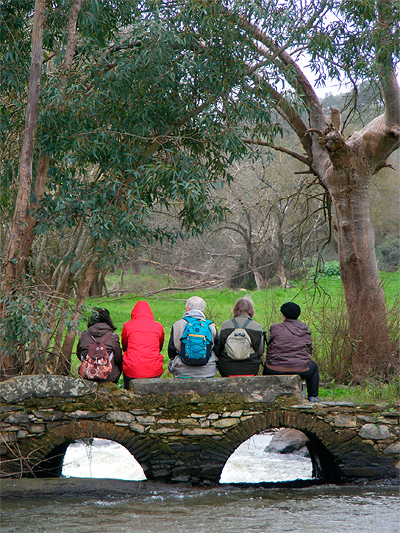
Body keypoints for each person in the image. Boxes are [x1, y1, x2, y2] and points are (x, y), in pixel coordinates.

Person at [263, 302, 319, 402]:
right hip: (302, 369)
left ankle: (265, 397)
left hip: (275, 368)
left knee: (266, 365)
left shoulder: (275, 328)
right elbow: (309, 349)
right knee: (314, 367)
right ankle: (312, 399)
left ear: (283, 315)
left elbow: (270, 347)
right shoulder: (305, 328)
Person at [168, 296, 220, 378]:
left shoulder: (178, 325)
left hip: (183, 371)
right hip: (207, 371)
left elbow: (171, 352)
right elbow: (217, 350)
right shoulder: (211, 326)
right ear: (203, 310)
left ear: (187, 309)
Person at [121, 300, 165, 389]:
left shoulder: (127, 326)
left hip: (132, 371)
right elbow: (160, 346)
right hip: (154, 370)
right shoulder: (158, 326)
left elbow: (124, 346)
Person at [216, 297, 264, 377]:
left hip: (227, 369)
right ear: (251, 310)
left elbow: (218, 350)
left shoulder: (225, 325)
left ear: (235, 309)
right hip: (250, 369)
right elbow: (260, 352)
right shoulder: (257, 327)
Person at [77, 307, 122, 384]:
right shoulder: (113, 336)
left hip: (87, 375)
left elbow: (79, 354)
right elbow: (118, 358)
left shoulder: (84, 335)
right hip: (109, 377)